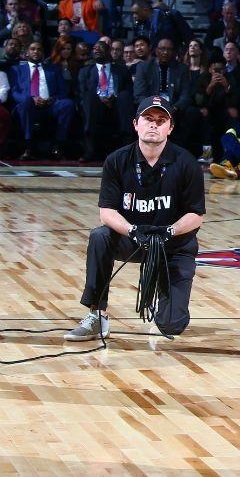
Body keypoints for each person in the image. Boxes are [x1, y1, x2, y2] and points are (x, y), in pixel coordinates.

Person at [64, 95, 206, 341]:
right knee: (100, 236)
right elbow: (106, 211)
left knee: (172, 325)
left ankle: (166, 297)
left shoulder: (186, 163)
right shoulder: (117, 160)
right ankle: (97, 316)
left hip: (172, 245)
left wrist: (169, 231)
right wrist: (131, 230)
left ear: (170, 128)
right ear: (135, 124)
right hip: (134, 238)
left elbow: (196, 215)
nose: (154, 124)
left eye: (161, 120)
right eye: (148, 118)